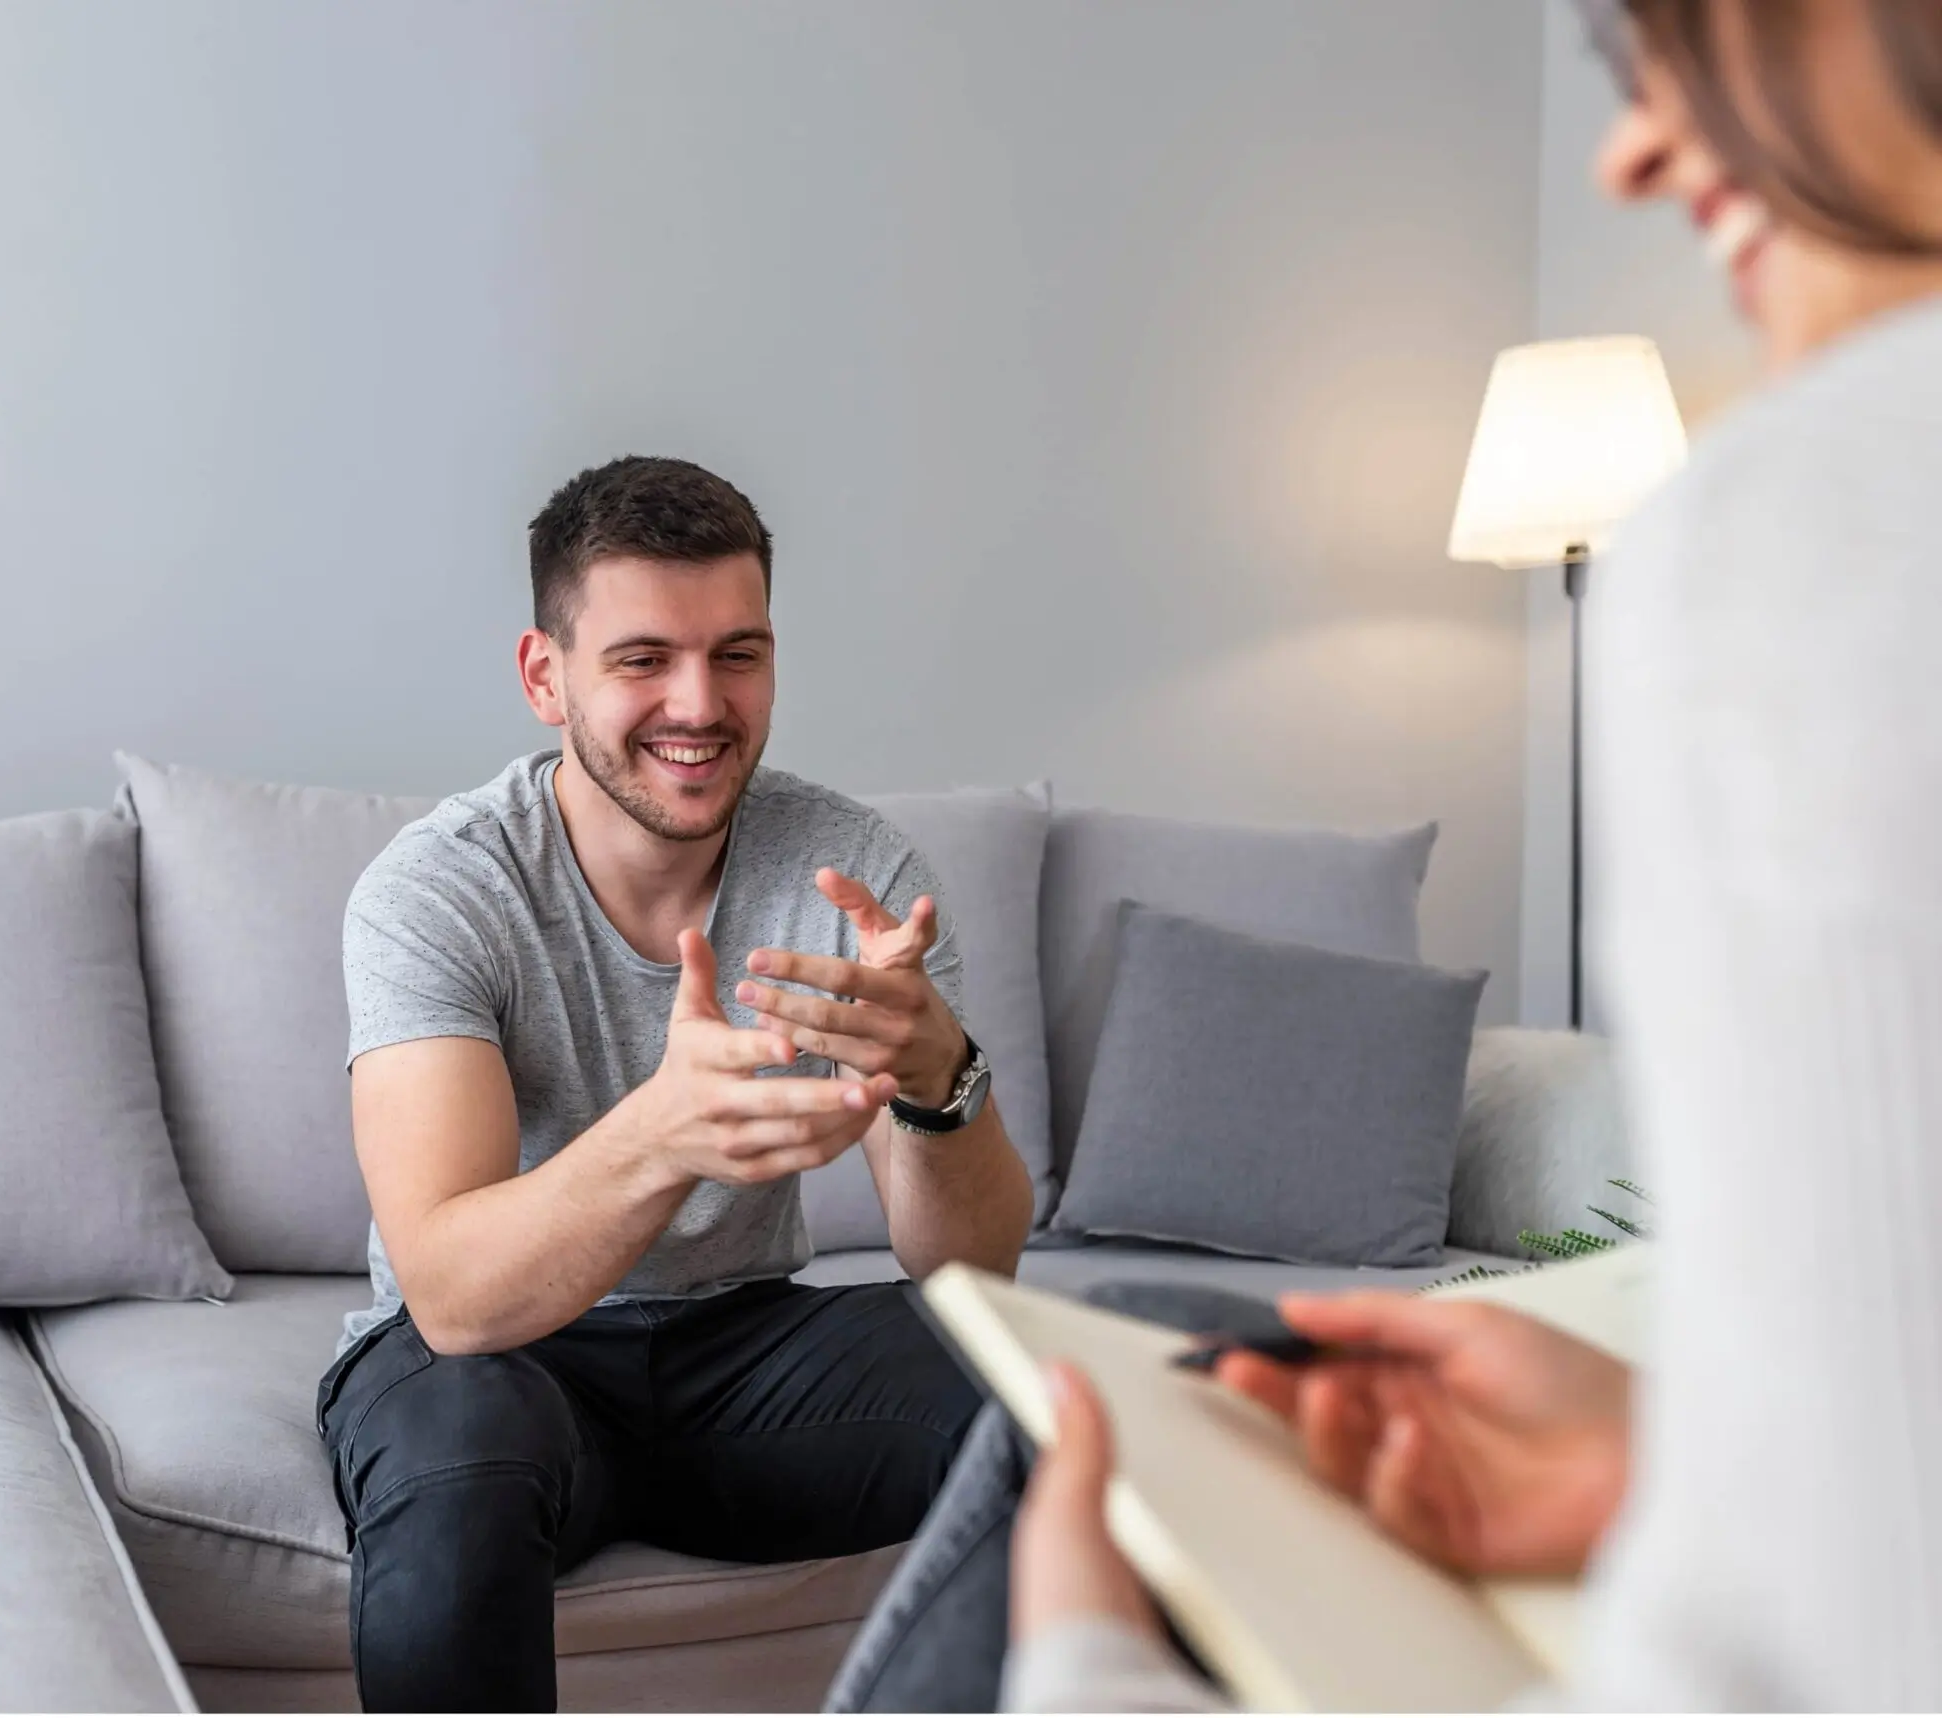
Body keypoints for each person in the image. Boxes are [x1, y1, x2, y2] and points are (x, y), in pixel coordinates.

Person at [996, 0, 1942, 1707]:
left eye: (1701, 33)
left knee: (1042, 1451)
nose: (1635, 148)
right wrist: (1682, 1462)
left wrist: (1080, 1660)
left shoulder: (1796, 532)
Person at [319, 454, 1038, 1711]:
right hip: (492, 1362)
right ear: (546, 676)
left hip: (738, 1349)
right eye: (643, 658)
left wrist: (937, 1073)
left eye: (738, 653)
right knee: (456, 1479)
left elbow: (966, 1282)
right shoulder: (437, 890)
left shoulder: (847, 865)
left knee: (1056, 1391)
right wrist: (661, 1132)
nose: (699, 704)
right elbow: (451, 1295)